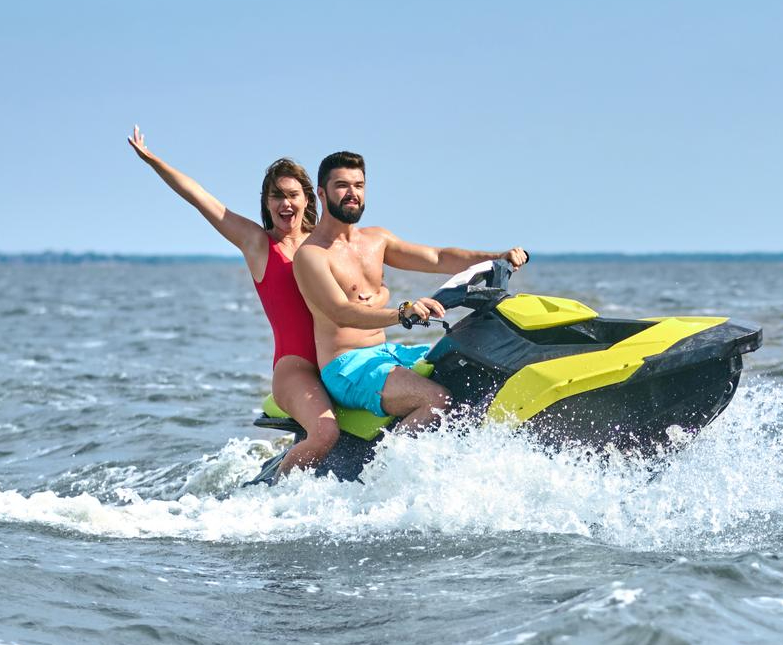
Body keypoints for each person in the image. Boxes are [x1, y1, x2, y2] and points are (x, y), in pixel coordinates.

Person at [127, 128, 340, 475]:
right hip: (294, 369)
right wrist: (154, 161)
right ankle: (273, 497)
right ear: (266, 202)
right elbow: (201, 199)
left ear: (307, 199)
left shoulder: (325, 243)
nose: (285, 203)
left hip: (336, 362)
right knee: (326, 431)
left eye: (292, 195)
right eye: (276, 196)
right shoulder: (258, 244)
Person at [294, 150, 527, 432]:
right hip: (347, 366)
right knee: (436, 399)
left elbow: (438, 257)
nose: (352, 193)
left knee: (468, 370)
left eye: (359, 185)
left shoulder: (376, 238)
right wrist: (403, 312)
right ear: (321, 193)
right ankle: (386, 473)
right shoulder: (312, 255)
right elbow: (340, 312)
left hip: (386, 353)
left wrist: (497, 257)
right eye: (342, 185)